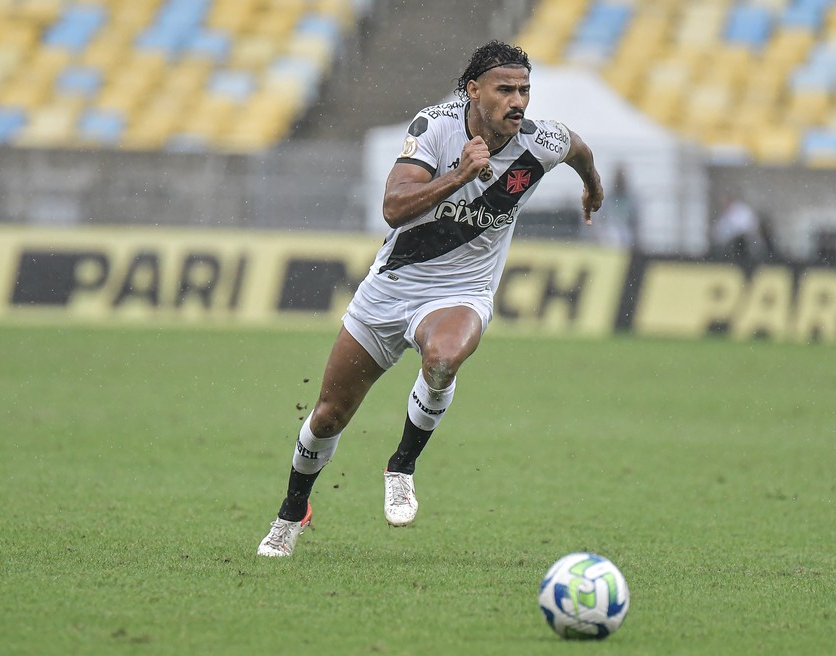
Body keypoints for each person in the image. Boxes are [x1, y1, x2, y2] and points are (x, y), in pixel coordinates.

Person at [257, 40, 604, 557]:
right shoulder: (434, 127)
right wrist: (459, 175)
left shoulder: (540, 141)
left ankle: (401, 466)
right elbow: (394, 208)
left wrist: (592, 187)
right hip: (392, 287)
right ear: (474, 91)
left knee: (443, 358)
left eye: (524, 90)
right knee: (328, 415)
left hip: (463, 291)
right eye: (505, 90)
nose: (517, 101)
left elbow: (579, 150)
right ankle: (292, 512)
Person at [711, 192, 766, 263]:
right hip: (731, 246)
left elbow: (745, 229)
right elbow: (719, 233)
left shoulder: (742, 211)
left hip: (744, 245)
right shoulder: (724, 216)